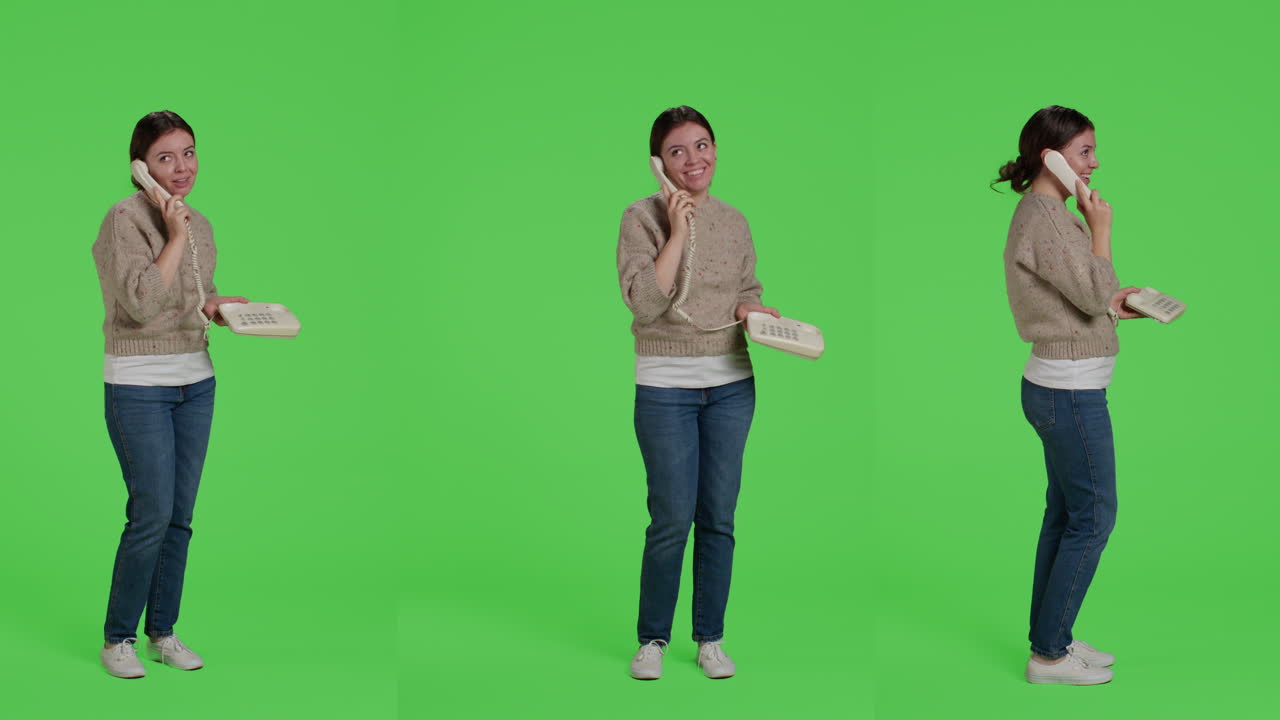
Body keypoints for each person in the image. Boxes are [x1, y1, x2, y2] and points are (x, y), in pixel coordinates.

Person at [616, 106, 780, 680]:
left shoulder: (735, 221)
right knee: (670, 517)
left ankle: (710, 637)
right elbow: (644, 301)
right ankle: (653, 640)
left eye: (703, 145)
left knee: (718, 516)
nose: (695, 160)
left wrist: (752, 308)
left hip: (732, 383)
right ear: (659, 163)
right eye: (679, 151)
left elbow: (748, 286)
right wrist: (679, 226)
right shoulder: (639, 217)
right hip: (665, 387)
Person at [996, 105, 1148, 685]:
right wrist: (1103, 231)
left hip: (1063, 388)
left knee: (1065, 517)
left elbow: (1085, 295)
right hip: (1071, 396)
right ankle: (1049, 658)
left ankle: (1050, 638)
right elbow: (1089, 290)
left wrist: (1113, 304)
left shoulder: (1046, 214)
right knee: (1093, 518)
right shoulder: (1049, 218)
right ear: (1051, 157)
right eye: (1085, 150)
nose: (1095, 161)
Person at [93, 110, 248, 678]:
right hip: (139, 387)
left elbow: (189, 297)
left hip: (196, 382)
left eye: (188, 152)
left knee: (180, 517)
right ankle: (118, 639)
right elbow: (139, 302)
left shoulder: (201, 223)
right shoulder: (125, 220)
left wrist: (218, 306)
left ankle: (162, 631)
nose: (181, 167)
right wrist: (174, 232)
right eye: (165, 157)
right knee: (150, 514)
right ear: (141, 168)